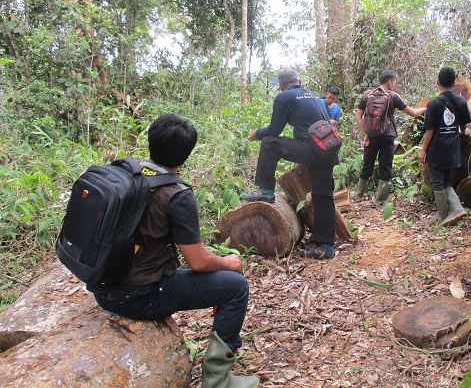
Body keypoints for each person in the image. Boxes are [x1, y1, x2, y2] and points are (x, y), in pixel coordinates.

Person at [88, 114, 258, 388]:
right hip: (140, 295)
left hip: (101, 287)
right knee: (236, 287)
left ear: (150, 143)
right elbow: (199, 262)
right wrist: (228, 262)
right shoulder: (176, 194)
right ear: (187, 154)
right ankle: (217, 380)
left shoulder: (123, 172)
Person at [240, 68, 338, 260]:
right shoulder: (314, 95)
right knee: (323, 195)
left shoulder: (284, 98)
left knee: (269, 143)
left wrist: (258, 133)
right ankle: (326, 246)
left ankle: (265, 190)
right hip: (328, 149)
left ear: (281, 86)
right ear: (299, 81)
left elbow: (274, 130)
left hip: (312, 148)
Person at [353, 70, 427, 204]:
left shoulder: (367, 95)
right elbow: (413, 113)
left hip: (371, 135)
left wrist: (365, 135)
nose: (395, 84)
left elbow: (358, 116)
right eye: (394, 82)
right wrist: (425, 108)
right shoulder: (393, 96)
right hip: (388, 135)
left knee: (367, 163)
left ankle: (358, 194)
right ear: (389, 82)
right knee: (385, 165)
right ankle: (380, 200)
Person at [418, 67, 471, 226]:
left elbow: (430, 130)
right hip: (453, 148)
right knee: (444, 180)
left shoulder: (434, 104)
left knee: (437, 182)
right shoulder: (461, 101)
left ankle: (445, 215)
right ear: (454, 83)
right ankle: (452, 210)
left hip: (437, 149)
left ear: (437, 82)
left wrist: (423, 150)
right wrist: (460, 132)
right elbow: (464, 124)